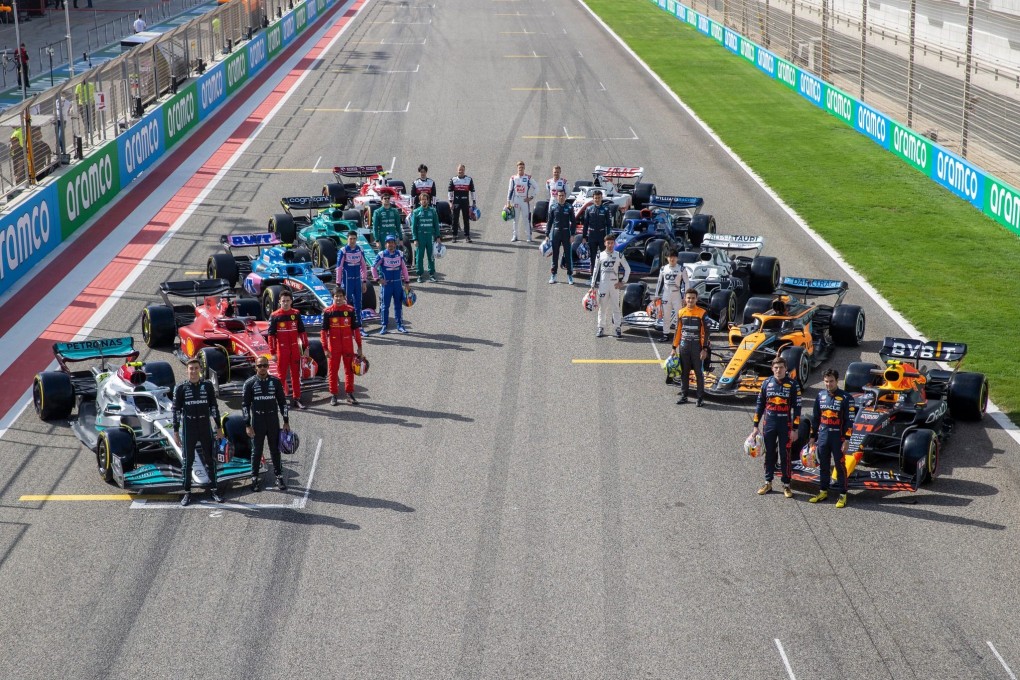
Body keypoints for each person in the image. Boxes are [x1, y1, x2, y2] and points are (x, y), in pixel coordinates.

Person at [172, 359, 224, 506]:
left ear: (200, 369)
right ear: (186, 370)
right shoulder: (180, 388)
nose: (193, 371)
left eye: (196, 368)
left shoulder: (207, 386)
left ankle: (214, 489)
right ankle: (187, 493)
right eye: (191, 369)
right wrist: (175, 431)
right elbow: (175, 411)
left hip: (204, 426)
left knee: (210, 459)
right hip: (189, 427)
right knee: (187, 462)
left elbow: (214, 407)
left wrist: (219, 427)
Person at [753, 356, 803, 498]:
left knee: (785, 454)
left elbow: (797, 408)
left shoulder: (793, 385)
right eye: (776, 368)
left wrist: (795, 429)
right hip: (768, 424)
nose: (778, 370)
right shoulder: (766, 383)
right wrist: (755, 426)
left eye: (781, 367)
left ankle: (786, 484)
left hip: (785, 425)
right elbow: (759, 405)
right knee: (769, 453)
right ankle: (767, 482)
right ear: (772, 369)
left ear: (786, 369)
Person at [242, 357, 289, 492]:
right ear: (255, 367)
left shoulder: (275, 382)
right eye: (260, 365)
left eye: (265, 365)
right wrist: (247, 424)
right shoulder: (249, 384)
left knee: (275, 450)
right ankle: (254, 478)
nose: (262, 368)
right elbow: (245, 406)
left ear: (268, 366)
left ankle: (279, 477)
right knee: (256, 451)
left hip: (273, 420)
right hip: (257, 422)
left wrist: (286, 421)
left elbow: (282, 403)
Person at [808, 368, 853, 508]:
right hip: (823, 437)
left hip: (838, 439)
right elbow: (815, 418)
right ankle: (823, 491)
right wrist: (811, 437)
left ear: (837, 381)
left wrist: (847, 440)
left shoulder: (846, 398)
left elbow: (849, 421)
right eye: (826, 381)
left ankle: (843, 494)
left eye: (831, 381)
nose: (829, 384)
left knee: (840, 466)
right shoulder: (820, 395)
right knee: (824, 466)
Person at [321, 288, 365, 406]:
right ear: (333, 297)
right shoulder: (327, 312)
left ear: (344, 297)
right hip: (333, 347)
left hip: (347, 346)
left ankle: (349, 394)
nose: (339, 298)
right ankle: (334, 395)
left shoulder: (350, 310)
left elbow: (355, 330)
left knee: (349, 370)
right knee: (333, 371)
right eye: (336, 296)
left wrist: (359, 346)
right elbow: (323, 332)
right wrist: (325, 348)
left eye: (341, 296)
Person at [267, 289, 309, 409]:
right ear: (279, 302)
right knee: (281, 376)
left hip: (295, 349)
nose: (285, 303)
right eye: (283, 301)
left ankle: (297, 399)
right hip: (282, 350)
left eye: (288, 300)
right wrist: (273, 353)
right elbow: (271, 336)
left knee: (296, 375)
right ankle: (282, 399)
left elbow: (302, 333)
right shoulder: (274, 315)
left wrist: (306, 348)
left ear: (291, 301)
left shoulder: (296, 313)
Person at [670, 289, 711, 405]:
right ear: (685, 299)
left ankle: (700, 398)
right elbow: (677, 331)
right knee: (684, 372)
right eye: (688, 298)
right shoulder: (681, 312)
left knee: (698, 373)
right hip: (684, 346)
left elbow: (707, 332)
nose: (690, 300)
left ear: (696, 299)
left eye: (693, 298)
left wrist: (704, 349)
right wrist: (674, 347)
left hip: (697, 347)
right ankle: (684, 396)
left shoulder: (702, 313)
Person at [590, 233, 631, 337]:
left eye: (612, 243)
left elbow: (628, 268)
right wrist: (592, 286)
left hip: (614, 286)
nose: (610, 245)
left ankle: (617, 328)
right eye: (608, 243)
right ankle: (601, 328)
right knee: (602, 308)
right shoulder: (600, 255)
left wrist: (623, 282)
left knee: (616, 308)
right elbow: (595, 271)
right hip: (603, 285)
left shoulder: (619, 255)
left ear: (614, 243)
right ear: (605, 243)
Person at [371, 235, 411, 334]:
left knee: (398, 306)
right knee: (385, 306)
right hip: (386, 285)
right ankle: (384, 326)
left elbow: (404, 269)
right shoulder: (382, 255)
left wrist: (407, 282)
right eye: (389, 243)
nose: (391, 245)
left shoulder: (400, 254)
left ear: (395, 244)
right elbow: (373, 268)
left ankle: (400, 325)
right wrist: (378, 279)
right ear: (385, 244)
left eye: (392, 242)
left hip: (398, 284)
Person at [654, 249, 689, 342]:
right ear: (667, 258)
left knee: (680, 315)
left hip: (677, 294)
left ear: (677, 258)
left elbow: (687, 282)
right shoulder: (663, 268)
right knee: (666, 316)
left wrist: (686, 297)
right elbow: (659, 282)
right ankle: (665, 334)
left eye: (674, 257)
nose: (672, 259)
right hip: (666, 294)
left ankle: (680, 335)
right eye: (670, 257)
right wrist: (656, 295)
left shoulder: (681, 269)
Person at [336, 230, 369, 325]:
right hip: (347, 282)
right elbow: (339, 268)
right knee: (347, 304)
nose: (352, 241)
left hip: (357, 282)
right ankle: (347, 325)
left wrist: (364, 281)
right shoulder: (343, 250)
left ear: (356, 239)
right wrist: (338, 284)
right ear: (347, 239)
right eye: (350, 239)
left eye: (354, 239)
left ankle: (359, 326)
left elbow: (363, 266)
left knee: (358, 304)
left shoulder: (360, 249)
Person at [546, 189, 577, 285]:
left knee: (568, 255)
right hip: (556, 233)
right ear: (557, 196)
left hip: (566, 233)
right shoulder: (553, 207)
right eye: (559, 195)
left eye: (562, 195)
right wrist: (547, 235)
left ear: (565, 196)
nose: (561, 197)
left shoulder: (569, 207)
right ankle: (553, 275)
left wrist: (572, 235)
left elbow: (573, 222)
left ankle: (570, 276)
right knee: (555, 255)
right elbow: (549, 222)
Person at [410, 191, 440, 283]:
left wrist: (438, 236)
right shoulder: (416, 212)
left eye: (425, 199)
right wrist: (415, 238)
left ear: (428, 200)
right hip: (420, 237)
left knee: (431, 256)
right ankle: (419, 275)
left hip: (430, 237)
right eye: (422, 200)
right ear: (420, 201)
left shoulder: (433, 211)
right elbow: (413, 227)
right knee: (419, 257)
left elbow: (436, 225)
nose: (424, 201)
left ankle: (432, 274)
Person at [505, 160, 536, 242]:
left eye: (522, 167)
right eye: (519, 167)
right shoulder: (513, 178)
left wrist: (531, 197)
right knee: (515, 219)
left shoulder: (528, 178)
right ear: (517, 168)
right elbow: (510, 190)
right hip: (516, 200)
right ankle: (515, 236)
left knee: (526, 219)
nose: (521, 169)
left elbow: (537, 187)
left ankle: (529, 236)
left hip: (525, 200)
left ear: (524, 168)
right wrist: (508, 201)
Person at [582, 189, 614, 268]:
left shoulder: (606, 209)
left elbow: (609, 224)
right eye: (595, 198)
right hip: (592, 235)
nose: (597, 200)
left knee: (604, 255)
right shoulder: (589, 209)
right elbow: (585, 224)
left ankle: (604, 275)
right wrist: (584, 237)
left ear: (601, 198)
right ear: (593, 198)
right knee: (593, 256)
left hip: (602, 235)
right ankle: (593, 276)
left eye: (599, 198)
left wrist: (608, 237)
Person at [447, 164, 476, 243]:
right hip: (456, 202)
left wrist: (474, 202)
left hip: (465, 202)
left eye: (462, 170)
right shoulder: (453, 179)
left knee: (466, 219)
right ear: (457, 170)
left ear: (464, 170)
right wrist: (450, 202)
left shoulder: (469, 179)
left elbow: (473, 191)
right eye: (459, 170)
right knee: (455, 219)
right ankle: (454, 235)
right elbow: (450, 191)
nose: (460, 171)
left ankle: (467, 236)